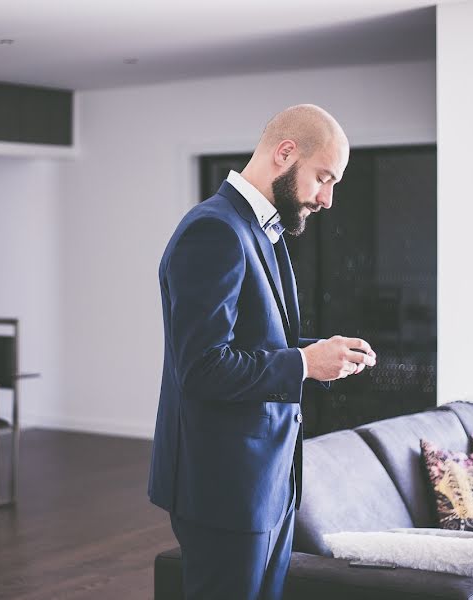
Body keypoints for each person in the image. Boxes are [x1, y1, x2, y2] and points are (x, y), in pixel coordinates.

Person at [148, 104, 376, 599]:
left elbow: (254, 344)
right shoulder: (214, 231)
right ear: (286, 153)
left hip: (266, 485)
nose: (328, 199)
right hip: (224, 489)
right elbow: (203, 368)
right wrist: (304, 365)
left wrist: (319, 352)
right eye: (323, 178)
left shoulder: (260, 231)